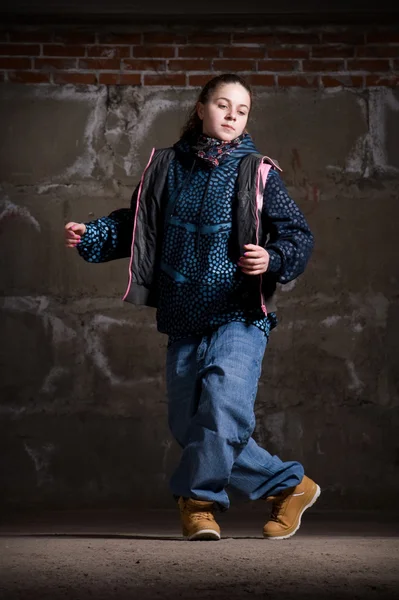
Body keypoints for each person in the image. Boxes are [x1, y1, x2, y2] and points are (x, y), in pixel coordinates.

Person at [65, 73, 320, 541]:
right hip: (184, 316)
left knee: (223, 406)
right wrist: (94, 234)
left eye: (241, 111)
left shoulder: (257, 171)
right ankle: (289, 485)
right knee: (190, 426)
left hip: (240, 314)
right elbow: (140, 224)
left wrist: (273, 258)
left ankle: (198, 502)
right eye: (223, 105)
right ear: (201, 108)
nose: (231, 116)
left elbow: (298, 237)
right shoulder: (167, 166)